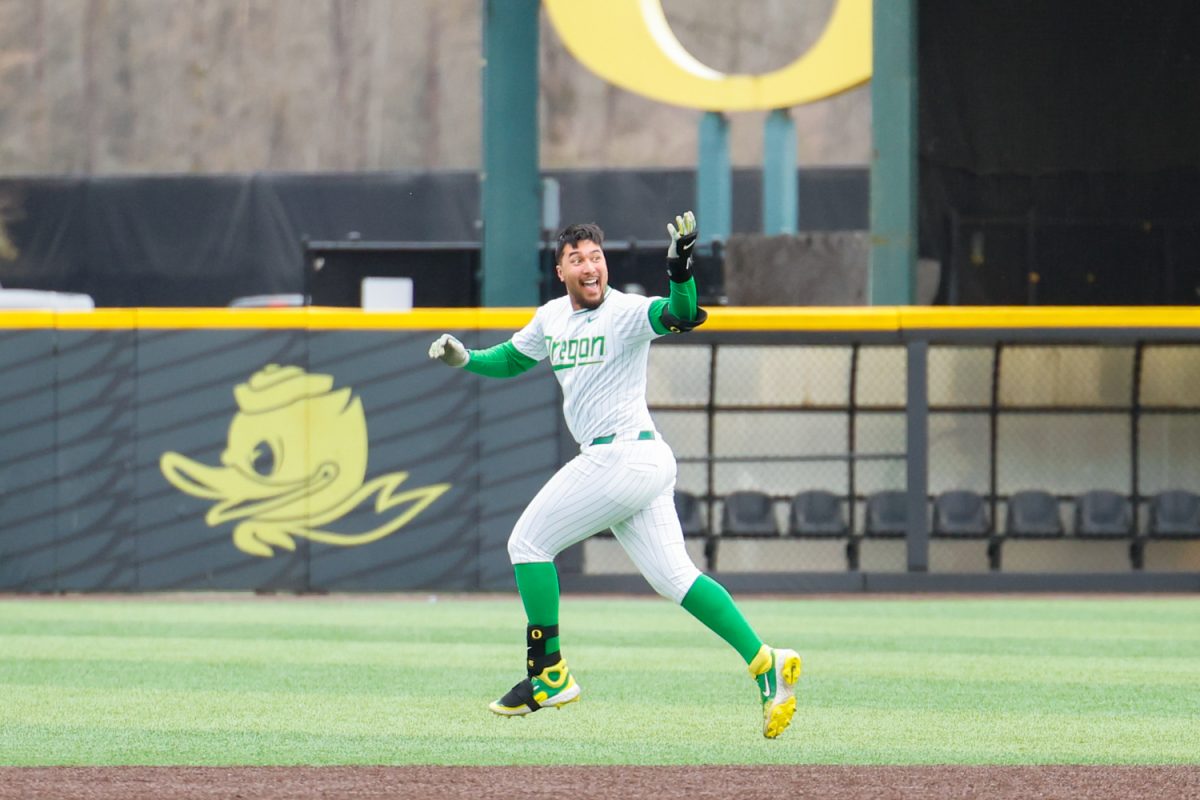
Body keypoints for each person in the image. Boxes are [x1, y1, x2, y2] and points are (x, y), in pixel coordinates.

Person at [428, 211, 801, 739]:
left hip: (622, 456)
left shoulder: (624, 310)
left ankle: (548, 673)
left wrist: (680, 271)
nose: (589, 265)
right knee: (676, 579)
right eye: (576, 258)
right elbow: (511, 360)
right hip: (638, 463)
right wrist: (466, 357)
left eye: (595, 256)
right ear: (561, 271)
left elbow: (682, 315)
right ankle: (766, 662)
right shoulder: (551, 317)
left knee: (527, 544)